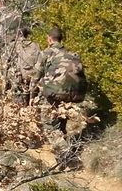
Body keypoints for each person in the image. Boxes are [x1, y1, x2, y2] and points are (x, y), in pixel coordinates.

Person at [33, 27, 87, 159]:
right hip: (72, 95)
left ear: (49, 39)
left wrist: (32, 96)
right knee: (61, 122)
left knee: (48, 125)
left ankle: (64, 150)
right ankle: (62, 156)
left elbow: (35, 76)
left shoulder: (46, 53)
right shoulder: (73, 54)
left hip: (53, 94)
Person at [9, 28, 42, 105]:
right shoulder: (35, 45)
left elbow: (5, 65)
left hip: (18, 83)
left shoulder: (12, 46)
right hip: (33, 82)